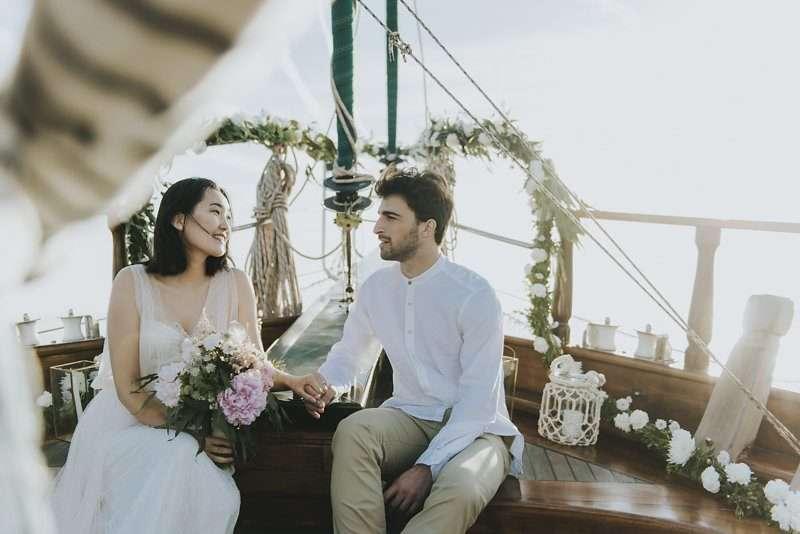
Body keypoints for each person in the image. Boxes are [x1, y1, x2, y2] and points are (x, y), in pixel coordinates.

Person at [51, 177, 317, 533]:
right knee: (176, 456)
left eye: (228, 216)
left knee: (191, 469)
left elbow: (254, 361)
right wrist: (192, 435)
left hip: (200, 426)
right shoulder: (131, 282)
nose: (225, 225)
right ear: (179, 219)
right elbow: (128, 386)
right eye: (215, 211)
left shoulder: (236, 283)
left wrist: (294, 381)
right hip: (131, 421)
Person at [301, 169, 525, 534]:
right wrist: (324, 383)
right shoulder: (375, 288)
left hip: (479, 430)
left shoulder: (475, 295)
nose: (377, 227)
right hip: (411, 417)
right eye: (379, 216)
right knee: (354, 431)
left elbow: (476, 403)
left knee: (463, 487)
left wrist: (427, 467)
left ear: (426, 227)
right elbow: (349, 355)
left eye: (390, 217)